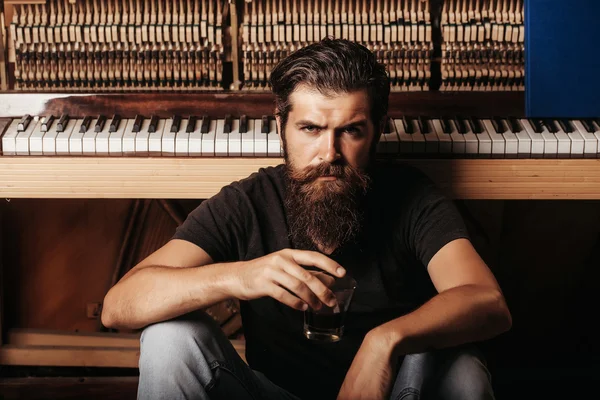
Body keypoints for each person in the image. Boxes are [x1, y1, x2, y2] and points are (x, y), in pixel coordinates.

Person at [101, 38, 512, 400]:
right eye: (310, 128)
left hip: (391, 391)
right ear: (279, 126)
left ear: (378, 131)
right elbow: (118, 306)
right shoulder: (249, 201)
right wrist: (242, 276)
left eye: (351, 131)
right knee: (168, 338)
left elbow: (487, 301)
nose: (329, 153)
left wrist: (384, 342)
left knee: (464, 369)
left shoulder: (412, 197)